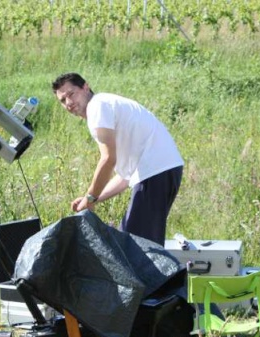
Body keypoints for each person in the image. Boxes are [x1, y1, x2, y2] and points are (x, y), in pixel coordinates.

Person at [52, 72, 184, 246]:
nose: (68, 103)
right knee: (137, 245)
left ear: (85, 87)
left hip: (155, 171)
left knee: (136, 250)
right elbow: (124, 177)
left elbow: (108, 160)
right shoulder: (104, 106)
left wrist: (90, 198)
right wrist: (92, 198)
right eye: (63, 100)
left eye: (71, 94)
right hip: (161, 170)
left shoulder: (97, 106)